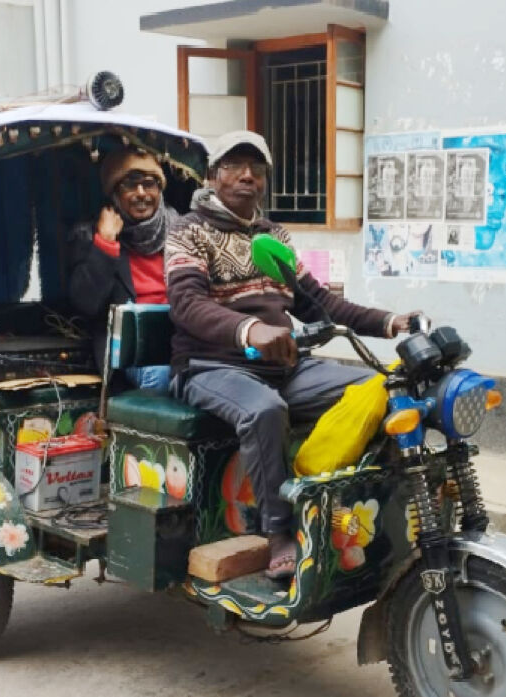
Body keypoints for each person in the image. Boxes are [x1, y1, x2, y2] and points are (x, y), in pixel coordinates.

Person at [165, 131, 417, 579]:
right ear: (211, 176)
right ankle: (278, 533)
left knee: (378, 388)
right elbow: (187, 304)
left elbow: (317, 301)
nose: (247, 176)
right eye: (234, 167)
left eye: (257, 169)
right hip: (211, 366)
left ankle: (358, 498)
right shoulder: (188, 231)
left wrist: (389, 321)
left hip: (283, 365)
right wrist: (250, 328)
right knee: (264, 410)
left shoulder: (273, 235)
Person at [67, 146, 177, 391]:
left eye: (149, 184)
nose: (141, 193)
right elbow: (86, 303)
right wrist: (106, 243)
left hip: (182, 339)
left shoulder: (180, 229)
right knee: (161, 376)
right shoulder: (89, 235)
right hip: (132, 353)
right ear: (114, 193)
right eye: (130, 185)